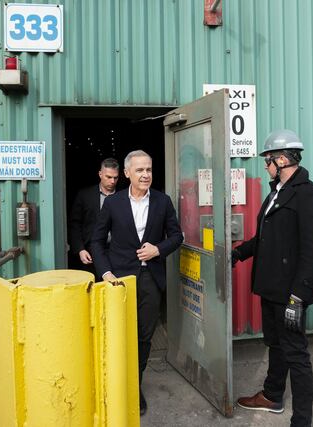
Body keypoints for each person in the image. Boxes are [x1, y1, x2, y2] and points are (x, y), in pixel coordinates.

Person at [233, 129, 313, 427]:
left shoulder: (309, 195)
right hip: (271, 287)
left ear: (283, 159)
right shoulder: (276, 192)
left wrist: (298, 297)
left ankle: (301, 420)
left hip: (290, 292)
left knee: (296, 354)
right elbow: (264, 239)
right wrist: (237, 254)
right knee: (275, 344)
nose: (265, 165)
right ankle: (272, 395)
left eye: (268, 160)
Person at [91, 150, 183, 416]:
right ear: (127, 173)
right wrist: (106, 272)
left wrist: (158, 249)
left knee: (143, 337)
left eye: (149, 170)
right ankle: (115, 384)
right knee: (119, 334)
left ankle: (135, 385)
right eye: (140, 170)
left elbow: (176, 236)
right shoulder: (113, 203)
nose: (146, 175)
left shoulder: (163, 202)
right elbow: (96, 241)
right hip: (119, 279)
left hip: (150, 279)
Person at [69, 158, 119, 274]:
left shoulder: (124, 196)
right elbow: (75, 224)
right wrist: (80, 249)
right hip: (90, 253)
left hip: (117, 253)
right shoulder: (85, 195)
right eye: (108, 177)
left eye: (115, 177)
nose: (112, 181)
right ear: (100, 174)